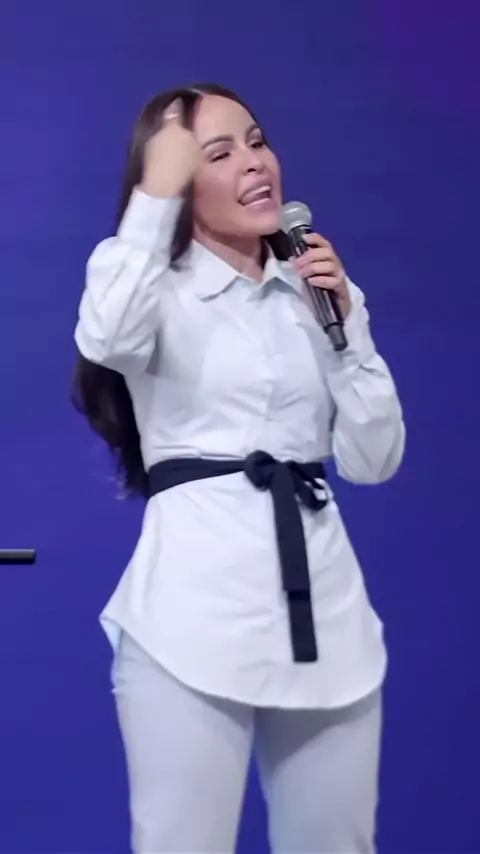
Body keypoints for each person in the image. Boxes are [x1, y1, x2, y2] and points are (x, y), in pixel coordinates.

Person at [73, 82, 405, 854]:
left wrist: (347, 331)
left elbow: (374, 459)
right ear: (179, 183)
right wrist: (153, 199)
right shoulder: (152, 288)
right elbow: (107, 337)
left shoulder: (314, 292)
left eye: (258, 142)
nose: (255, 164)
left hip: (327, 620)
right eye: (219, 154)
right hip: (191, 622)